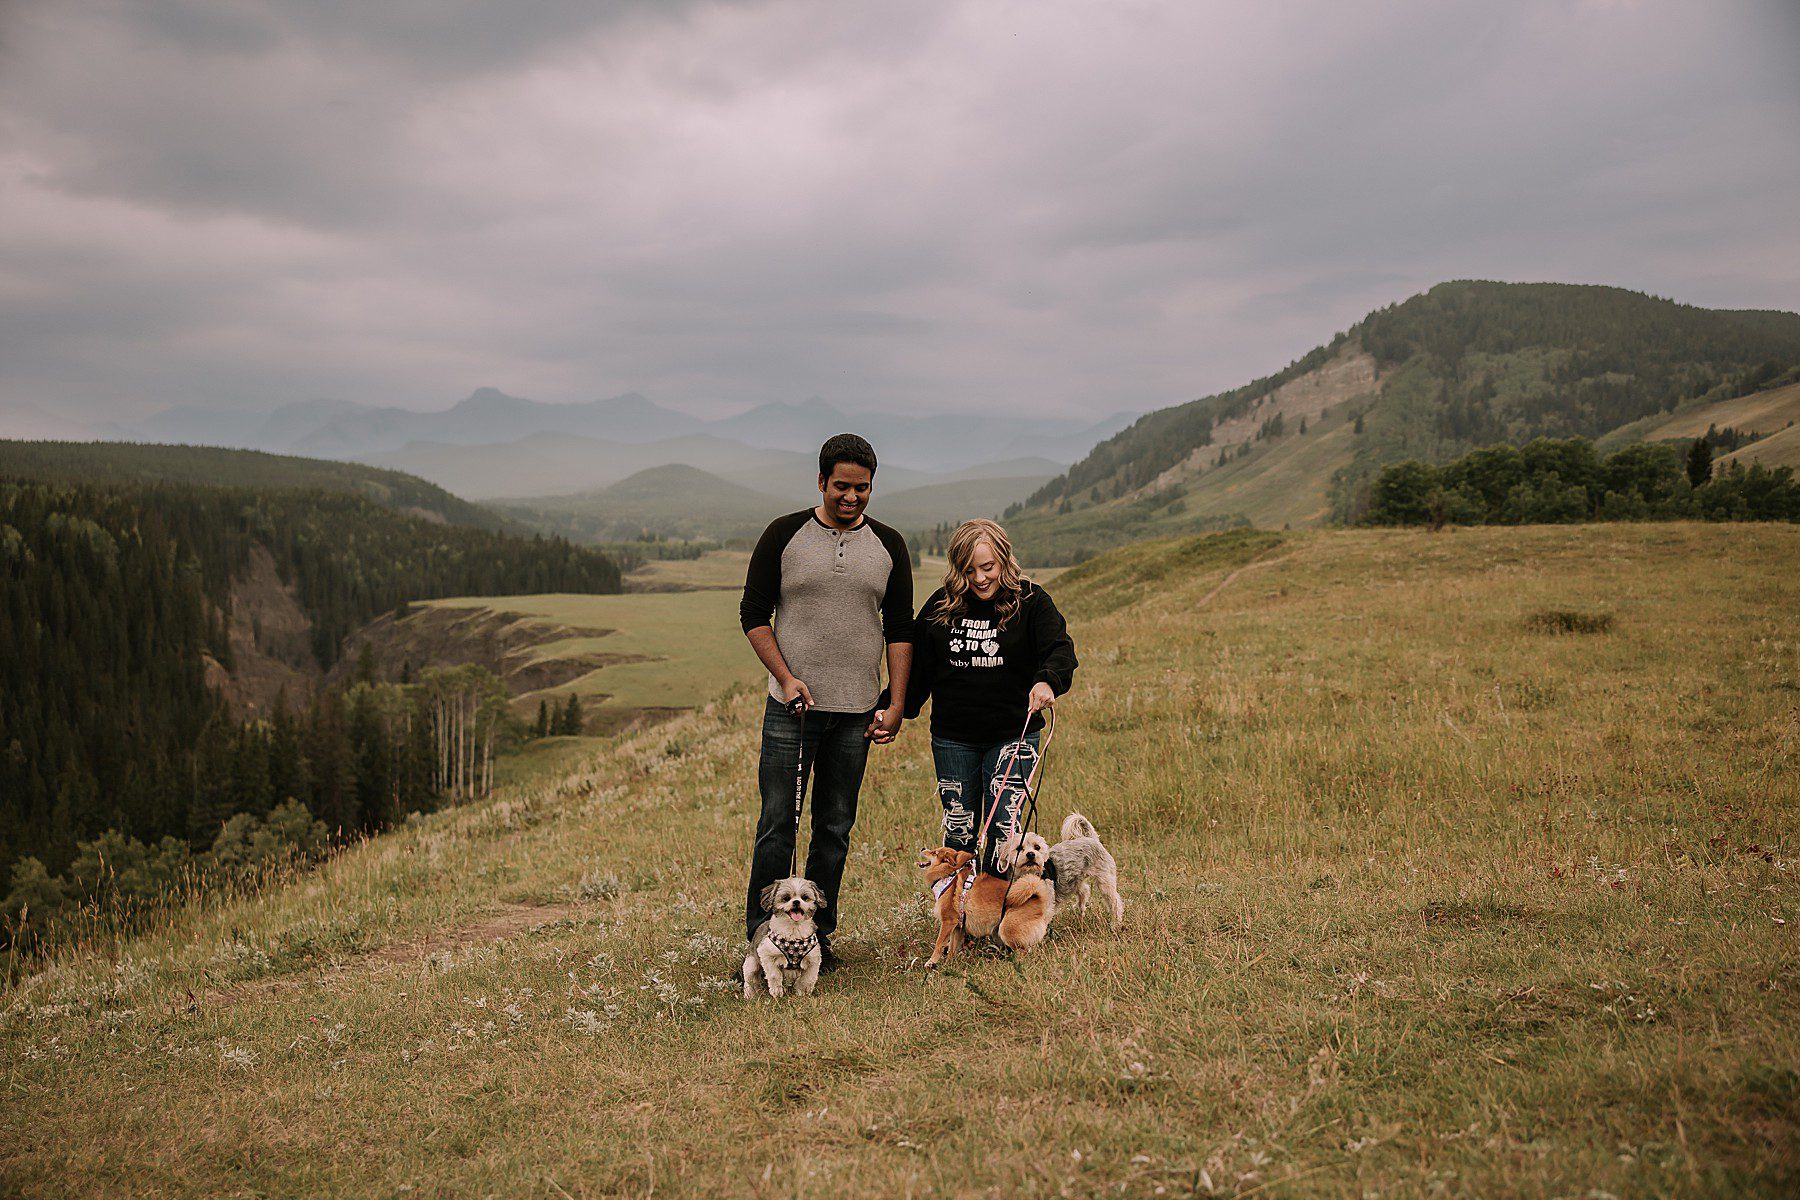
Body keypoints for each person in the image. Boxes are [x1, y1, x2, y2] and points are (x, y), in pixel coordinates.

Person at [739, 433, 914, 971]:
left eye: (862, 487)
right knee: (778, 824)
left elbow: (900, 629)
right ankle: (762, 940)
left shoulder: (889, 545)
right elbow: (753, 614)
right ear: (821, 481)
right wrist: (786, 678)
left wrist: (896, 704)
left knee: (834, 828)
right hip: (790, 710)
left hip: (856, 714)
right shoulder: (783, 534)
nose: (851, 497)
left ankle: (817, 939)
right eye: (842, 486)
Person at [895, 518, 1076, 874]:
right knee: (958, 832)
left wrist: (1047, 682)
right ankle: (961, 904)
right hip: (953, 739)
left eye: (988, 567)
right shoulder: (940, 606)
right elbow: (919, 670)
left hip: (1013, 736)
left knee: (1004, 832)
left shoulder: (1032, 601)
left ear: (1004, 560)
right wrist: (895, 709)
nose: (979, 578)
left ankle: (997, 905)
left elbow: (1060, 649)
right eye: (968, 570)